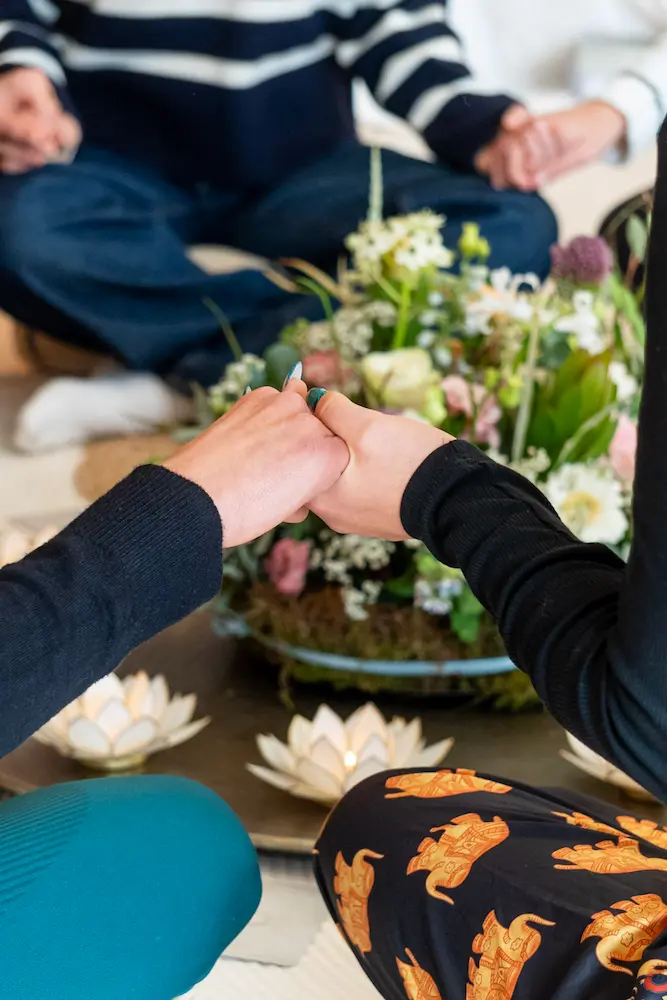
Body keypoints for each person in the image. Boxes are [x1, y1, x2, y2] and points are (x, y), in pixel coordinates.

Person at [0, 0, 560, 452]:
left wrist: (484, 127)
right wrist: (18, 70)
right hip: (111, 162)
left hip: (299, 165)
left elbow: (394, 23)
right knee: (14, 228)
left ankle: (186, 375)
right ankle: (250, 362)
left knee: (515, 225)